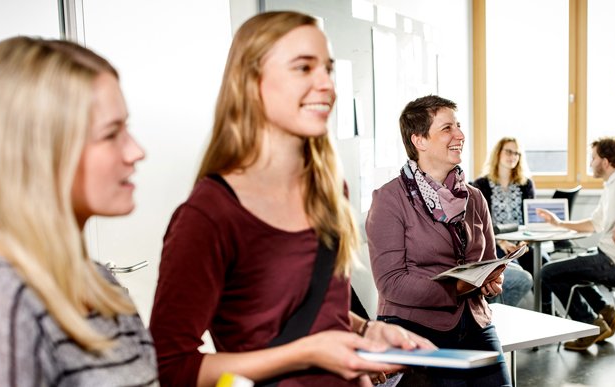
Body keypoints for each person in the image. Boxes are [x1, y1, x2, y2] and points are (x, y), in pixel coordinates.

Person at [149, 11, 433, 387]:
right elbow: (170, 366)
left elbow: (312, 311)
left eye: (328, 69)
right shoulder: (209, 215)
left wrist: (366, 331)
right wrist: (307, 352)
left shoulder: (329, 192)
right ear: (251, 83)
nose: (326, 85)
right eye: (303, 68)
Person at [0, 37, 158, 386]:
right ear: (39, 155)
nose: (136, 151)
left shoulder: (103, 286)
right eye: (110, 134)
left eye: (126, 129)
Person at [367, 95, 511, 386]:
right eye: (447, 128)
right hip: (415, 328)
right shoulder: (389, 200)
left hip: (475, 320)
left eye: (458, 126)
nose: (459, 135)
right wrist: (458, 286)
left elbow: (485, 261)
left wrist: (491, 278)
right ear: (419, 140)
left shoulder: (474, 197)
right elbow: (391, 283)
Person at [536, 137, 615, 351]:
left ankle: (590, 325)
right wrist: (559, 223)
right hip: (608, 257)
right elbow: (594, 224)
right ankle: (607, 313)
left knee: (547, 273)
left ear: (605, 161)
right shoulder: (613, 183)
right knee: (567, 268)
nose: (589, 163)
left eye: (592, 158)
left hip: (614, 263)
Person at [470, 137, 534, 307]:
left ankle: (551, 317)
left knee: (545, 267)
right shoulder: (481, 184)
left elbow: (529, 220)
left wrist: (523, 241)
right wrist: (502, 241)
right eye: (508, 151)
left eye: (517, 153)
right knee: (507, 271)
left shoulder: (526, 184)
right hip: (495, 241)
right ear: (498, 153)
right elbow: (481, 224)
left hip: (522, 242)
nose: (513, 156)